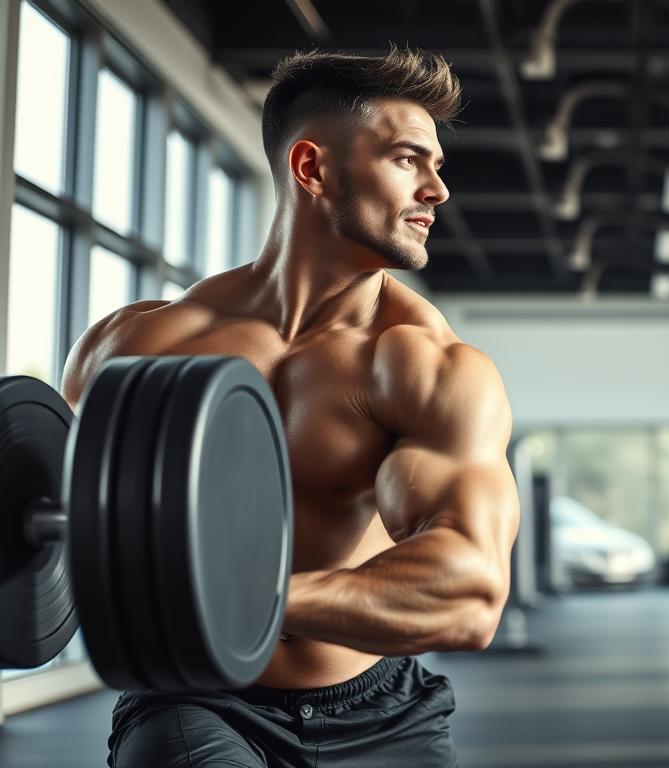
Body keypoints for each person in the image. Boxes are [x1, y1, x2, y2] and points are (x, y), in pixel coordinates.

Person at [61, 47, 519, 767]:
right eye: (408, 160)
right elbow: (61, 542)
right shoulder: (136, 345)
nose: (438, 191)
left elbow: (471, 592)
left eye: (437, 166)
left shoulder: (421, 365)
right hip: (195, 697)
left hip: (381, 709)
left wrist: (243, 596)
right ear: (312, 168)